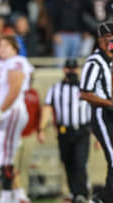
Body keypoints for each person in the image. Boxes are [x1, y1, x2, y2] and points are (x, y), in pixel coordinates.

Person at [39, 59, 91, 203]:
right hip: (64, 132)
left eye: (74, 69)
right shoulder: (56, 89)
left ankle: (81, 193)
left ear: (79, 70)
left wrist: (97, 134)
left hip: (82, 131)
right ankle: (75, 192)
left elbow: (94, 111)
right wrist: (41, 129)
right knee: (68, 162)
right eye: (69, 69)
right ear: (64, 70)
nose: (72, 72)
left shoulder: (86, 88)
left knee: (80, 162)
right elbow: (48, 108)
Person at [0, 35, 34, 203]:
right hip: (3, 114)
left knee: (5, 156)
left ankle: (8, 197)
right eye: (0, 45)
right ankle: (18, 194)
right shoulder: (1, 64)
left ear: (15, 48)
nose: (1, 48)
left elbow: (15, 89)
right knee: (1, 155)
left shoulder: (17, 62)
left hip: (10, 112)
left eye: (6, 45)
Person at [80, 21, 113, 203]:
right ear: (100, 40)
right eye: (108, 38)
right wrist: (109, 102)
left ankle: (104, 198)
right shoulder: (95, 62)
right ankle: (104, 199)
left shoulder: (110, 60)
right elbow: (84, 93)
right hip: (102, 113)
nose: (111, 41)